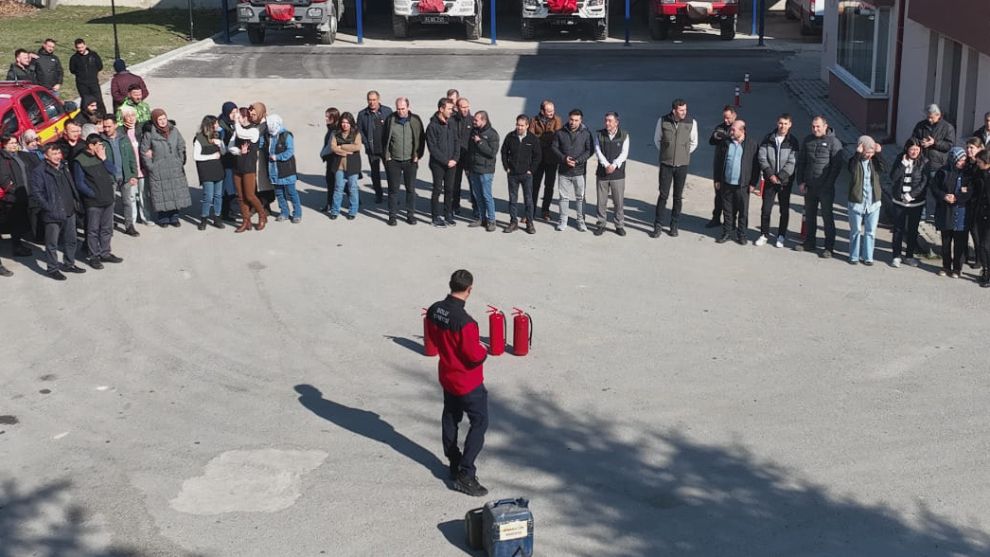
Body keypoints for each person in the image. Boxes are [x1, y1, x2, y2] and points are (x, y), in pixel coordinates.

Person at [425, 269, 490, 497]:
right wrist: (484, 352)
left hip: (447, 376)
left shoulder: (435, 310)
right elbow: (473, 355)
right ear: (469, 290)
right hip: (468, 382)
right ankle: (466, 472)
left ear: (450, 285)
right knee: (479, 422)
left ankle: (453, 462)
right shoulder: (466, 323)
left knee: (451, 417)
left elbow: (432, 339)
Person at [30, 143, 86, 281]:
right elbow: (37, 193)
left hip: (69, 210)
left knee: (71, 240)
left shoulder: (64, 166)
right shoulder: (39, 171)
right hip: (52, 212)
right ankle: (53, 268)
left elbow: (71, 185)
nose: (57, 157)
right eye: (53, 154)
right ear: (46, 156)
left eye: (58, 153)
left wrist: (75, 201)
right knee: (52, 244)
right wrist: (48, 207)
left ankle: (69, 263)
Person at [794, 115, 844, 258]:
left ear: (825, 126)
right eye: (813, 126)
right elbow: (802, 162)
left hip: (825, 188)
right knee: (810, 216)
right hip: (810, 186)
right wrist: (801, 182)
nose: (815, 129)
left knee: (827, 217)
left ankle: (829, 247)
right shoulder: (808, 140)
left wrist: (828, 185)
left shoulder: (834, 143)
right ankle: (809, 242)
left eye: (818, 126)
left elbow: (836, 167)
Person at [73, 134, 122, 269]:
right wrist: (92, 195)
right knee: (93, 230)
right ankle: (94, 256)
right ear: (91, 146)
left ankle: (105, 253)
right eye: (99, 145)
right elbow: (80, 183)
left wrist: (104, 159)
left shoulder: (101, 157)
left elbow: (114, 171)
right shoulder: (80, 160)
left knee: (107, 228)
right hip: (94, 202)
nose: (102, 147)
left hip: (108, 199)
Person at [651, 98, 698, 238]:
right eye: (681, 110)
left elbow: (694, 142)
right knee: (663, 195)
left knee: (678, 197)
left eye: (685, 109)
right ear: (674, 110)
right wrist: (667, 153)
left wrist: (683, 154)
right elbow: (657, 139)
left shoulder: (691, 122)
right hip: (666, 164)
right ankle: (658, 225)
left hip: (682, 165)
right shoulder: (663, 121)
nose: (684, 112)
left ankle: (674, 225)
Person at [140, 108, 190, 227]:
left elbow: (181, 145)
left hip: (174, 166)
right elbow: (144, 151)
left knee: (175, 192)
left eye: (164, 119)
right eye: (159, 119)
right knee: (161, 193)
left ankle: (174, 217)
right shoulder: (149, 134)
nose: (162, 122)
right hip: (158, 168)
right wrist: (151, 166)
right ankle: (163, 219)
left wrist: (180, 160)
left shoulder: (174, 130)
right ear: (155, 121)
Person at [713, 120, 760, 245]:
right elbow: (718, 161)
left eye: (734, 130)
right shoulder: (725, 143)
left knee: (743, 212)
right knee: (727, 211)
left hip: (743, 185)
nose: (731, 132)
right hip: (726, 183)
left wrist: (753, 184)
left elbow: (756, 166)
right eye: (731, 129)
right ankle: (727, 232)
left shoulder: (751, 144)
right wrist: (717, 179)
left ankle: (742, 235)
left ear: (742, 130)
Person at [756, 113, 799, 248]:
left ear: (790, 125)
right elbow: (762, 156)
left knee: (784, 209)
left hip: (785, 182)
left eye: (785, 124)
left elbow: (793, 161)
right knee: (766, 209)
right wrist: (770, 174)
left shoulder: (793, 141)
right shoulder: (768, 138)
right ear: (777, 123)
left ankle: (781, 236)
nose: (782, 126)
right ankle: (764, 234)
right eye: (781, 123)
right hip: (770, 180)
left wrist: (780, 177)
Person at [885, 138, 928, 268]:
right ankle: (896, 256)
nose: (914, 152)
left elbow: (924, 183)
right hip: (899, 201)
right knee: (898, 229)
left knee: (913, 230)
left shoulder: (924, 162)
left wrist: (911, 195)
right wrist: (903, 164)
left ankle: (909, 256)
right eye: (912, 149)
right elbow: (893, 177)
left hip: (916, 203)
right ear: (906, 149)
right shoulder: (900, 159)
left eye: (917, 149)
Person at [382, 97, 425, 226]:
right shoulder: (391, 120)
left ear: (408, 107)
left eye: (403, 108)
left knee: (410, 189)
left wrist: (418, 155)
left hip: (410, 161)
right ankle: (392, 216)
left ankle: (410, 215)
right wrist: (387, 157)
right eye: (398, 109)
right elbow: (384, 138)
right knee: (393, 190)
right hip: (393, 161)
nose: (400, 111)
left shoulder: (415, 120)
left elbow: (421, 138)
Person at [932, 147, 972, 277]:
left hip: (961, 211)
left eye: (964, 160)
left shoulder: (968, 173)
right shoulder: (943, 172)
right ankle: (946, 266)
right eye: (960, 160)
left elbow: (970, 191)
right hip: (946, 210)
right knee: (946, 241)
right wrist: (944, 196)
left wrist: (957, 197)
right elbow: (934, 188)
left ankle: (957, 268)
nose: (963, 162)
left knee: (960, 242)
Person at [551, 108, 592, 233]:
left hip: (579, 172)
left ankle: (580, 221)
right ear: (568, 119)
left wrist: (578, 161)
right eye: (571, 120)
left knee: (580, 198)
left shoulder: (586, 133)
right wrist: (564, 158)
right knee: (563, 198)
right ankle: (563, 220)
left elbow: (589, 150)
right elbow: (554, 147)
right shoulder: (560, 133)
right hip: (564, 171)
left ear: (581, 120)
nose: (573, 122)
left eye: (576, 120)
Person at [846, 136, 885, 266]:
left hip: (873, 202)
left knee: (870, 231)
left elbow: (883, 168)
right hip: (857, 201)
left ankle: (868, 257)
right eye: (867, 152)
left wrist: (878, 154)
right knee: (856, 230)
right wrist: (857, 153)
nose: (869, 155)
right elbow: (851, 168)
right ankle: (854, 256)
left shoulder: (874, 161)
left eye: (871, 152)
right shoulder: (855, 161)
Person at [500, 114, 541, 234]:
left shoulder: (532, 139)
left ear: (527, 126)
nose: (519, 127)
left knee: (528, 200)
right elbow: (504, 152)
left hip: (526, 175)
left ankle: (529, 222)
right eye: (517, 124)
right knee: (513, 199)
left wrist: (531, 170)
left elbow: (538, 156)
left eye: (522, 125)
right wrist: (506, 167)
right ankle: (513, 222)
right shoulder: (510, 136)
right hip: (512, 174)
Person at [98, 114, 138, 237]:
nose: (106, 129)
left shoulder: (124, 138)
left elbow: (131, 157)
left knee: (127, 202)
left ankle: (129, 226)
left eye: (109, 126)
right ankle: (108, 227)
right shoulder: (101, 141)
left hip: (125, 176)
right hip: (110, 178)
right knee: (111, 204)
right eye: (104, 127)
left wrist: (133, 174)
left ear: (115, 125)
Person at [230, 107, 267, 232]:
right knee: (240, 197)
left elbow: (241, 134)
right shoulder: (237, 130)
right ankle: (246, 221)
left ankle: (262, 215)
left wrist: (235, 122)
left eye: (239, 116)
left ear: (245, 117)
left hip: (248, 168)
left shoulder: (253, 131)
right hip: (237, 166)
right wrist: (239, 151)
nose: (237, 118)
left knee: (250, 195)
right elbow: (230, 146)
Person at [592, 111, 628, 237]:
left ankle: (619, 225)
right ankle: (601, 224)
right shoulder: (599, 135)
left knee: (618, 202)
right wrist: (606, 165)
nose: (607, 123)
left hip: (618, 174)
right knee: (601, 201)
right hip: (603, 173)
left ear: (616, 122)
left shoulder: (624, 135)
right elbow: (597, 150)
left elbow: (624, 153)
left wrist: (614, 165)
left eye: (610, 121)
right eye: (606, 120)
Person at [0, 134, 34, 264]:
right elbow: (4, 180)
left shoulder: (17, 155)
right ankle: (17, 247)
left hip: (24, 193)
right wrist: (16, 192)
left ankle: (19, 244)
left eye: (15, 142)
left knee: (20, 222)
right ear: (4, 144)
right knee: (16, 223)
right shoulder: (3, 158)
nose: (14, 145)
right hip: (13, 197)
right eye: (11, 143)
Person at [426, 98, 460, 227]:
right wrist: (446, 161)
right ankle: (435, 217)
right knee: (437, 189)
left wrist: (455, 159)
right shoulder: (432, 126)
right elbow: (432, 148)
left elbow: (457, 141)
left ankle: (448, 214)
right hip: (438, 164)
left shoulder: (452, 123)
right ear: (441, 109)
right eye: (449, 109)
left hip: (452, 163)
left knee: (450, 189)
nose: (452, 111)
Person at [118, 105, 153, 226]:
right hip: (130, 171)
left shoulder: (141, 129)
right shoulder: (120, 131)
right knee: (131, 197)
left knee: (144, 195)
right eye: (127, 116)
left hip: (142, 168)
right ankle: (132, 220)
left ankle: (146, 217)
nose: (131, 118)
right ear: (123, 118)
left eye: (133, 115)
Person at [356, 93, 391, 205]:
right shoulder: (363, 114)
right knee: (375, 173)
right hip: (372, 149)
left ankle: (392, 195)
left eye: (374, 100)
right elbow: (359, 131)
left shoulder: (387, 111)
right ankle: (378, 195)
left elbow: (393, 127)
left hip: (386, 149)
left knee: (390, 173)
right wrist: (366, 143)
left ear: (378, 99)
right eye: (370, 100)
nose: (372, 102)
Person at [467, 111, 499, 232]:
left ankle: (491, 220)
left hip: (486, 170)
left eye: (476, 120)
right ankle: (482, 218)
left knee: (487, 196)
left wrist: (479, 142)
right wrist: (468, 167)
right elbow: (470, 151)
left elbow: (492, 153)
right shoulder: (474, 131)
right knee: (478, 196)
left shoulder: (492, 134)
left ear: (484, 120)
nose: (473, 122)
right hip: (474, 169)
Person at [530, 100, 561, 223]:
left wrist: (541, 139)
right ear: (542, 111)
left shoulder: (557, 120)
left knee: (549, 186)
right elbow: (531, 137)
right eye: (549, 111)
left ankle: (545, 210)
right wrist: (545, 139)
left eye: (553, 110)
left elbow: (557, 137)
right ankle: (530, 211)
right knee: (534, 186)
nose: (551, 113)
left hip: (552, 159)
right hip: (538, 159)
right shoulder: (534, 120)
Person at [266, 114, 302, 223]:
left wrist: (277, 157)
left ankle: (297, 214)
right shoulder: (268, 135)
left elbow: (290, 151)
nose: (270, 127)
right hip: (274, 170)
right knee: (279, 193)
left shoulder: (286, 135)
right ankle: (284, 213)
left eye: (272, 125)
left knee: (291, 192)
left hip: (287, 170)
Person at [194, 115, 227, 230]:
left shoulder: (217, 136)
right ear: (210, 126)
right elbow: (196, 156)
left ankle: (217, 217)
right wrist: (212, 156)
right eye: (216, 124)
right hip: (206, 171)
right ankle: (204, 218)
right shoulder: (199, 139)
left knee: (218, 195)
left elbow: (223, 152)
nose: (218, 126)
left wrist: (220, 144)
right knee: (208, 196)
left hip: (218, 169)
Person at [706, 105, 737, 228]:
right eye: (724, 117)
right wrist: (717, 135)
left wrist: (727, 137)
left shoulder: (738, 128)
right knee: (718, 193)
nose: (726, 120)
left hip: (732, 166)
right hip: (719, 165)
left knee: (732, 196)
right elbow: (711, 141)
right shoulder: (720, 127)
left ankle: (731, 221)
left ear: (734, 116)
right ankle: (716, 218)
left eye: (728, 118)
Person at [328, 112, 362, 220]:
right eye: (343, 122)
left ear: (351, 123)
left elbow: (357, 147)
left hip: (353, 165)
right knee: (338, 188)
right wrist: (345, 152)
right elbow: (333, 147)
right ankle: (335, 211)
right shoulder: (335, 133)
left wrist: (342, 146)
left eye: (347, 123)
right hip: (339, 165)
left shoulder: (356, 133)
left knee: (352, 188)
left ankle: (352, 211)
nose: (344, 125)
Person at [249, 102, 276, 217]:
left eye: (254, 114)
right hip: (255, 157)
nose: (251, 116)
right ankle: (258, 206)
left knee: (264, 183)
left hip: (264, 157)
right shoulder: (252, 124)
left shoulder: (267, 125)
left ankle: (264, 206)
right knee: (256, 183)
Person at [68, 39, 105, 115]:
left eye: (82, 47)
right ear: (76, 48)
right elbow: (72, 70)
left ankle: (103, 116)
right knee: (86, 102)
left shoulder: (93, 55)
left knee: (98, 101)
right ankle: (87, 117)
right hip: (82, 84)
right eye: (78, 48)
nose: (81, 50)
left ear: (85, 45)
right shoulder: (74, 58)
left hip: (93, 82)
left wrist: (93, 72)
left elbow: (100, 66)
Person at [964, 137, 986, 268]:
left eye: (971, 147)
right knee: (969, 230)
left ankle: (980, 259)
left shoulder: (981, 164)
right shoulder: (968, 163)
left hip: (979, 203)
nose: (968, 150)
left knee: (977, 231)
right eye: (967, 147)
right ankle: (965, 255)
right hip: (968, 201)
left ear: (980, 148)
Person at [217, 101, 239, 223]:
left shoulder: (233, 123)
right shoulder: (221, 125)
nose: (235, 114)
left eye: (236, 111)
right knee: (227, 188)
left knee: (231, 188)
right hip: (225, 162)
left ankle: (229, 209)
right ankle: (224, 212)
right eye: (232, 112)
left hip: (233, 160)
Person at [972, 151, 990, 286]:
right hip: (979, 213)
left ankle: (988, 274)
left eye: (979, 162)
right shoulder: (979, 173)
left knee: (985, 245)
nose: (977, 164)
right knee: (980, 244)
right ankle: (985, 270)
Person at [452, 98, 473, 216]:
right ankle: (455, 206)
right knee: (455, 183)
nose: (465, 109)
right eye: (462, 107)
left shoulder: (473, 120)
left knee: (473, 183)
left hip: (468, 158)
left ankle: (476, 208)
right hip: (456, 157)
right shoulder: (453, 120)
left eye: (466, 107)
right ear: (457, 107)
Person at [320, 107, 341, 212]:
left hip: (335, 159)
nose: (326, 118)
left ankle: (331, 204)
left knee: (335, 182)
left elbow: (331, 146)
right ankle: (329, 203)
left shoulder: (336, 129)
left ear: (334, 117)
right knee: (330, 181)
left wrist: (322, 153)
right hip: (330, 159)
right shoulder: (330, 127)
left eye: (328, 116)